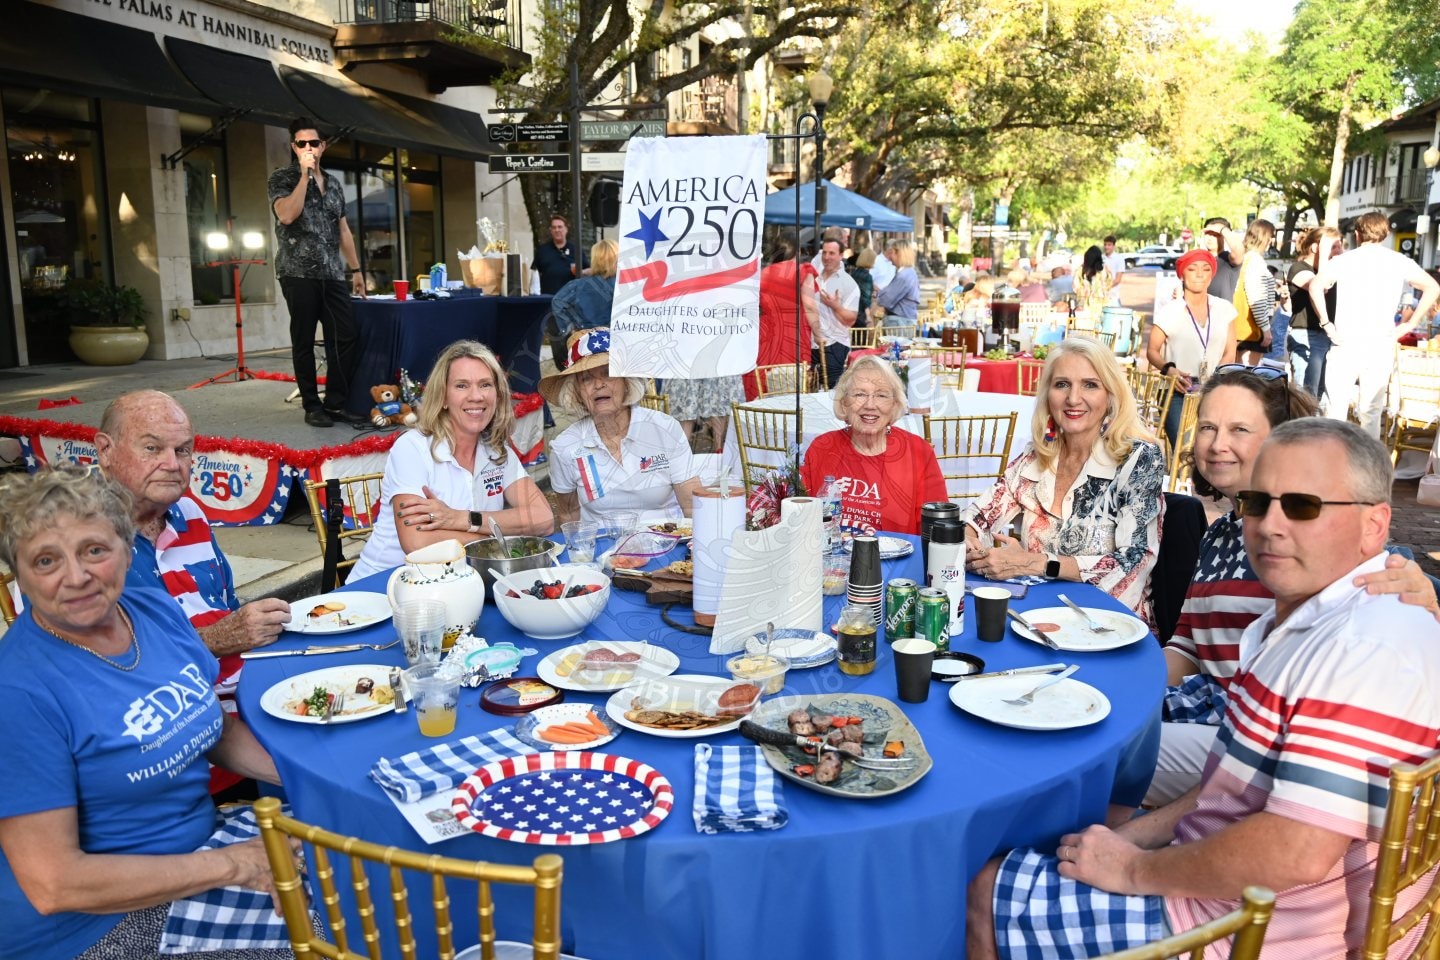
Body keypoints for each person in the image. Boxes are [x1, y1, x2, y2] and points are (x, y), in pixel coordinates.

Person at [967, 418, 1440, 960]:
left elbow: (1295, 850)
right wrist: (1138, 838)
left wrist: (1136, 868)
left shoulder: (1363, 647)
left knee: (985, 883)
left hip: (1254, 930)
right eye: (1258, 502)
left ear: (1374, 524)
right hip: (1256, 898)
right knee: (1078, 828)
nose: (1269, 525)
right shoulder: (1311, 617)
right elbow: (1237, 793)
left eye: (1304, 506)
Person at [0, 465, 293, 960]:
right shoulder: (20, 691)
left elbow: (209, 725)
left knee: (370, 866)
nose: (76, 577)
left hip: (197, 853)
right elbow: (54, 884)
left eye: (94, 550)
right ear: (20, 575)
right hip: (94, 927)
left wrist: (308, 776)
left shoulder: (151, 607)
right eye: (46, 560)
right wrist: (237, 865)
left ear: (125, 545)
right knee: (339, 935)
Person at [1150, 367, 1435, 805]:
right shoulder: (1224, 530)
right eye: (1208, 427)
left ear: (1281, 442)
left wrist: (1426, 593)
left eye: (1239, 429)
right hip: (1208, 708)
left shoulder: (1312, 539)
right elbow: (1186, 643)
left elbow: (1381, 586)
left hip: (1264, 731)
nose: (1216, 443)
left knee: (1108, 752)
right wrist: (1136, 686)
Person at [94, 389, 292, 797]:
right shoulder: (80, 546)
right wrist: (219, 640)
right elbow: (110, 675)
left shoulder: (191, 514)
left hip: (246, 714)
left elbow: (228, 610)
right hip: (179, 753)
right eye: (153, 448)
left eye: (183, 450)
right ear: (105, 451)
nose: (172, 464)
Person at [962, 337, 1165, 620]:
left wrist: (1033, 563)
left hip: (1108, 624)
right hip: (1035, 617)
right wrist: (969, 542)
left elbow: (1134, 563)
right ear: (1048, 395)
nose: (1073, 398)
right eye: (1062, 384)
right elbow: (977, 517)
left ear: (1111, 395)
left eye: (1090, 385)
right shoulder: (1038, 455)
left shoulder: (1138, 458)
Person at [349, 341, 554, 580]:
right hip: (386, 584)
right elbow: (417, 543)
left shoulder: (497, 450)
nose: (476, 396)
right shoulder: (412, 448)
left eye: (485, 385)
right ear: (443, 397)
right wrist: (500, 538)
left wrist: (461, 519)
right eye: (462, 386)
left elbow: (543, 519)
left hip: (457, 583)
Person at [544, 328, 703, 527]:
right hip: (604, 552)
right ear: (577, 392)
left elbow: (691, 503)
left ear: (627, 382)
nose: (598, 385)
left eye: (609, 373)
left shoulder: (664, 428)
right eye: (586, 379)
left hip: (666, 543)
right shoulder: (565, 447)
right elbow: (569, 515)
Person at [268, 117, 367, 429]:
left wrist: (356, 269)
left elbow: (343, 229)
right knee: (304, 338)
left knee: (346, 334)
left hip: (331, 272)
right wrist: (304, 177)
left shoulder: (334, 183)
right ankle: (312, 405)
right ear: (294, 147)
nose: (308, 148)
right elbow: (286, 215)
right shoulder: (282, 179)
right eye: (301, 143)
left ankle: (335, 403)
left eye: (313, 143)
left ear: (323, 146)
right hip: (297, 272)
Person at [1313, 210, 1440, 438]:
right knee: (1371, 412)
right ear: (1385, 234)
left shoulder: (1343, 260)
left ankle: (1328, 465)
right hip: (1379, 342)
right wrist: (1410, 323)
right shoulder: (1399, 261)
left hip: (1346, 341)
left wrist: (1326, 323)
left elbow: (1315, 286)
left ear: (1358, 234)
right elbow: (1433, 287)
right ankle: (1368, 467)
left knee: (1334, 409)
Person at [799, 355, 946, 536]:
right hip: (833, 561)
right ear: (844, 403)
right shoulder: (822, 448)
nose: (870, 405)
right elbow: (800, 515)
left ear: (894, 405)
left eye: (881, 395)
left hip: (899, 561)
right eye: (860, 394)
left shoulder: (918, 452)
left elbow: (936, 526)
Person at [1146, 249, 1237, 447]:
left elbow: (1231, 351)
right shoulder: (1170, 311)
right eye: (1192, 268)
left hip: (1213, 388)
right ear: (1182, 274)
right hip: (1177, 390)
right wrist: (1168, 369)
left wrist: (1216, 378)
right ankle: (1181, 479)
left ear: (1212, 275)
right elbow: (1152, 351)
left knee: (1213, 447)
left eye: (1206, 269)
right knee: (1186, 449)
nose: (1199, 274)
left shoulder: (1225, 309)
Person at [745, 232, 818, 400]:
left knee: (765, 386)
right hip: (795, 334)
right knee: (793, 386)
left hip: (766, 335)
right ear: (797, 250)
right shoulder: (802, 270)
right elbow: (809, 305)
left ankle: (765, 424)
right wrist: (820, 334)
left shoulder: (763, 273)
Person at [1285, 226, 1340, 397]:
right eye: (1334, 246)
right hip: (1307, 336)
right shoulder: (1299, 268)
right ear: (1316, 247)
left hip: (1327, 337)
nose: (1339, 251)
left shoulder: (1330, 270)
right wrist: (1324, 254)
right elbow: (1319, 287)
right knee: (1306, 397)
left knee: (1322, 399)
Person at [534, 214, 587, 370]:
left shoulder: (576, 250)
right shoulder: (543, 251)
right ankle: (563, 370)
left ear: (566, 229)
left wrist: (580, 271)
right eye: (554, 227)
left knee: (574, 337)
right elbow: (533, 273)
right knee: (557, 340)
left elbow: (588, 271)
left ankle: (576, 367)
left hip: (573, 304)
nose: (557, 230)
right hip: (551, 303)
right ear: (551, 231)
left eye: (560, 227)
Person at [550, 239, 617, 357]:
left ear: (595, 259)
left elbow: (557, 301)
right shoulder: (624, 285)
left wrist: (572, 328)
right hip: (617, 345)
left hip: (587, 344)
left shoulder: (578, 285)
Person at [810, 237, 861, 389]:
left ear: (840, 256)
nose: (827, 257)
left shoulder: (849, 283)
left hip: (834, 343)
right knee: (808, 390)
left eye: (832, 253)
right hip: (810, 342)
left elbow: (851, 320)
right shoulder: (812, 278)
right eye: (824, 253)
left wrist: (835, 306)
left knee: (832, 392)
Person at [1231, 218, 1276, 364]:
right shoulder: (1256, 261)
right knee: (1247, 376)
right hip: (1251, 329)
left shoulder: (1244, 258)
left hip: (1240, 326)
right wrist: (1265, 328)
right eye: (1271, 236)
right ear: (1264, 238)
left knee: (1237, 373)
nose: (1272, 241)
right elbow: (1256, 299)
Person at [871, 239, 920, 324]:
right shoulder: (908, 273)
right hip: (904, 321)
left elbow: (887, 299)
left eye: (892, 253)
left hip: (901, 322)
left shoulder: (904, 275)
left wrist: (879, 295)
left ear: (899, 254)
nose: (889, 257)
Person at [1200, 216, 1244, 300]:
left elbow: (1239, 250)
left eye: (1216, 234)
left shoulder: (1228, 260)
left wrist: (1222, 229)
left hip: (1221, 312)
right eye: (1208, 233)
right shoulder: (1198, 260)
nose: (1210, 237)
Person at [1072, 245, 1114, 313]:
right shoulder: (1105, 270)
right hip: (1102, 306)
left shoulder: (1080, 271)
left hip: (1085, 306)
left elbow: (1076, 288)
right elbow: (1109, 285)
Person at [851, 248, 876, 324]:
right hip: (861, 312)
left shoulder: (854, 273)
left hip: (851, 310)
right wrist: (868, 315)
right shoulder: (867, 276)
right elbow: (865, 298)